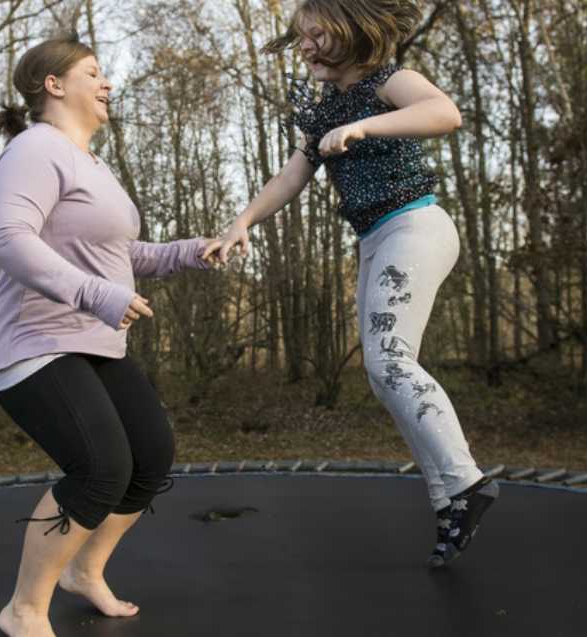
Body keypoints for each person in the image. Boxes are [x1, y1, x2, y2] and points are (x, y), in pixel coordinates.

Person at [0, 36, 223, 636]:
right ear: (54, 85)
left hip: (91, 341)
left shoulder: (92, 164)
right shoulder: (34, 149)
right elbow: (9, 239)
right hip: (33, 341)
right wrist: (97, 295)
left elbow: (121, 255)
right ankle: (23, 609)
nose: (107, 83)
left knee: (149, 460)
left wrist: (195, 251)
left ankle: (84, 571)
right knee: (99, 467)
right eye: (93, 72)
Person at [204, 0, 498, 568]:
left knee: (390, 360)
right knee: (382, 370)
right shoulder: (321, 113)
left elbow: (445, 113)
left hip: (416, 224)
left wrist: (364, 124)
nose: (305, 46)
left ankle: (465, 483)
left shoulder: (392, 81)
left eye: (316, 35)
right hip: (374, 240)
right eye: (300, 37)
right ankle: (448, 500)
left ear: (351, 33)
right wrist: (242, 220)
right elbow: (292, 174)